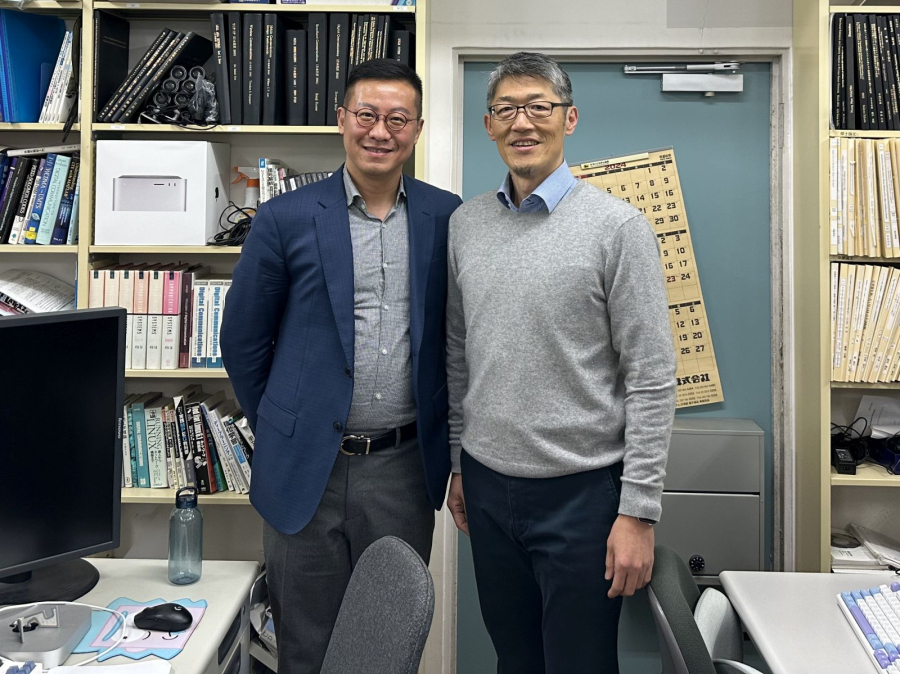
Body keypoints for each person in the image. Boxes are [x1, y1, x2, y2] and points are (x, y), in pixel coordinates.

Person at [221, 58, 462, 674]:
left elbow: (455, 345)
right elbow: (244, 342)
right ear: (341, 121)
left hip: (403, 470)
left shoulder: (447, 217)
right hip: (307, 471)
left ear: (417, 129)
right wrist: (289, 424)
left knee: (387, 645)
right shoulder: (286, 218)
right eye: (367, 115)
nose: (380, 131)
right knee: (305, 646)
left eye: (397, 119)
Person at [445, 51, 676, 673]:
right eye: (506, 109)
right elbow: (459, 352)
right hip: (487, 487)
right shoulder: (466, 224)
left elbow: (652, 377)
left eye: (539, 107)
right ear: (488, 124)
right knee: (514, 659)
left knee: (580, 664)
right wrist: (457, 465)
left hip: (584, 495)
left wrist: (638, 512)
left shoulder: (618, 227)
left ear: (568, 118)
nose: (523, 122)